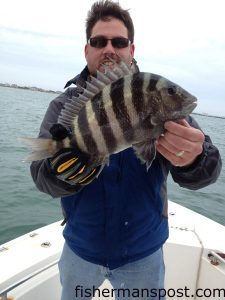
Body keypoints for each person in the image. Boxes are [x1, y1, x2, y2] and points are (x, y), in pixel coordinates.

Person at [30, 1, 222, 299]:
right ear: (87, 50)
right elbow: (41, 177)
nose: (109, 48)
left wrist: (194, 159)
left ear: (131, 50)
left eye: (119, 41)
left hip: (143, 253)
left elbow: (206, 171)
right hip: (81, 248)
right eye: (98, 41)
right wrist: (61, 174)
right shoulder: (63, 107)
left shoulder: (157, 100)